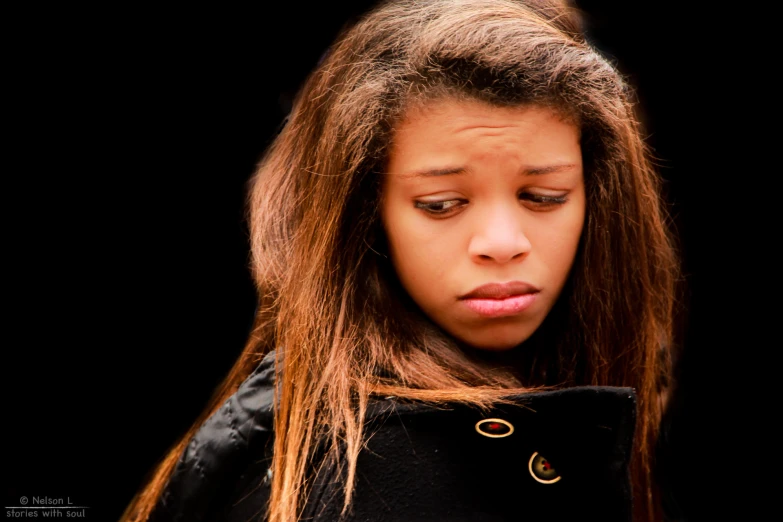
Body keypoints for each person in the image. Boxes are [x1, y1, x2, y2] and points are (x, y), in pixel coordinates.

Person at [120, 0, 682, 520]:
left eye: (544, 197)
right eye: (441, 205)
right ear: (365, 217)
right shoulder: (364, 480)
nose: (503, 242)